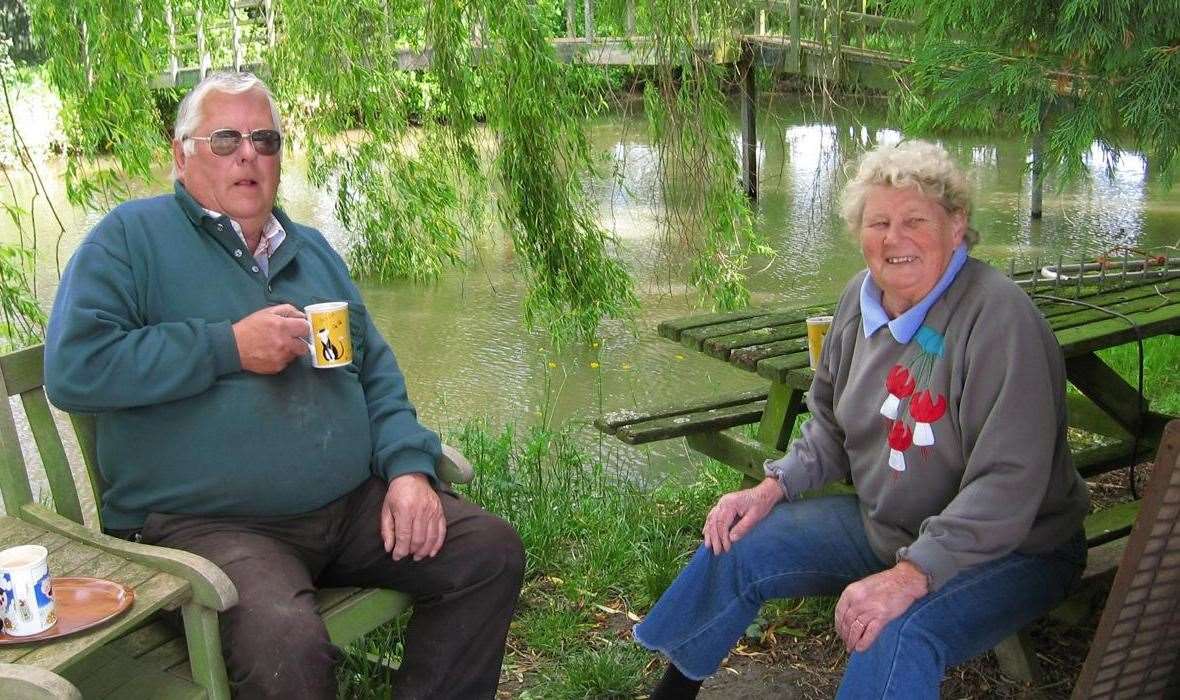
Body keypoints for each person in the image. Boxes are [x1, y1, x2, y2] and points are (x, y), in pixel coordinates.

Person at [44, 71, 524, 699]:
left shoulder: (312, 251)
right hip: (210, 526)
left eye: (265, 140)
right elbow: (74, 367)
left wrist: (408, 469)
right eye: (225, 139)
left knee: (487, 552)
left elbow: (373, 371)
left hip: (351, 507)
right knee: (285, 644)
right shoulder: (131, 239)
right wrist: (227, 347)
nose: (249, 154)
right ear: (181, 153)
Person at [634, 140, 1090, 698]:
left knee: (895, 630)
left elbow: (1008, 484)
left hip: (1016, 550)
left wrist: (910, 576)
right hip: (891, 528)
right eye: (878, 222)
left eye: (914, 220)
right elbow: (828, 421)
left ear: (957, 223)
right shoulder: (860, 298)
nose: (893, 239)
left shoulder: (1000, 321)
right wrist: (772, 487)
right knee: (741, 539)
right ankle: (672, 692)